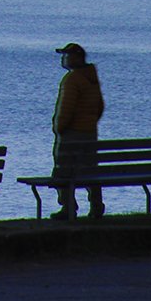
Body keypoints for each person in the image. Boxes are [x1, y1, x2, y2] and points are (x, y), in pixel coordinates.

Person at [51, 41, 105, 220]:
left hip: (71, 134)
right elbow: (100, 107)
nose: (64, 59)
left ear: (76, 58)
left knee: (62, 170)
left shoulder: (72, 79)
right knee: (90, 170)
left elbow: (66, 108)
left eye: (66, 55)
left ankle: (68, 207)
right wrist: (89, 123)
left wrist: (59, 128)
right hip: (89, 134)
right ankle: (96, 205)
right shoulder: (92, 78)